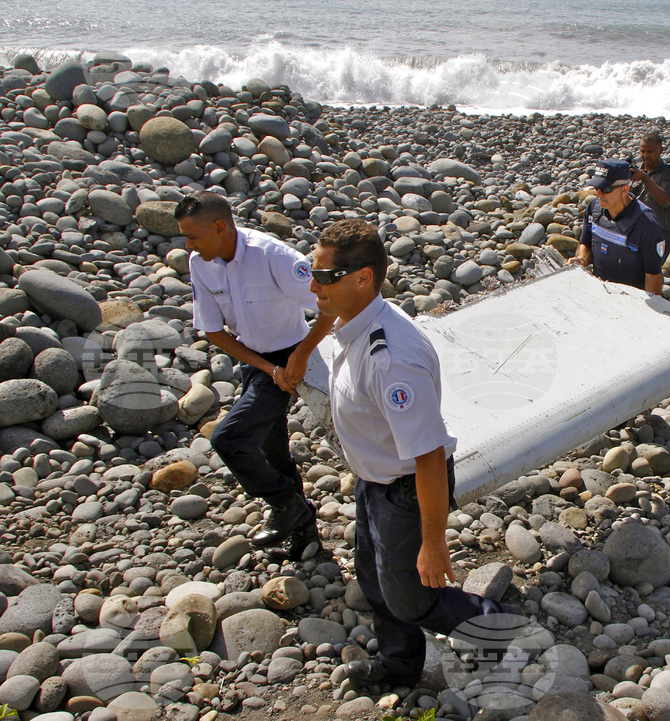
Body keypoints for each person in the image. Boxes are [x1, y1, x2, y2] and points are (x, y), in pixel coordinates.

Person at [310, 219, 513, 687]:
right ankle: (400, 666)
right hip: (374, 481)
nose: (313, 285)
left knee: (413, 599)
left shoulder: (391, 358)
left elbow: (427, 457)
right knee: (374, 578)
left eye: (323, 277)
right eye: (310, 272)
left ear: (362, 278)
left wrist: (434, 542)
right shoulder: (354, 319)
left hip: (405, 489)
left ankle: (495, 625)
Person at [177, 191, 334, 558]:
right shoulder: (201, 262)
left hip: (292, 354)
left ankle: (285, 505)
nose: (188, 245)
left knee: (229, 440)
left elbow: (330, 303)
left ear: (219, 227)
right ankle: (305, 534)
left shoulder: (271, 256)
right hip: (257, 361)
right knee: (272, 447)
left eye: (193, 236)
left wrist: (301, 355)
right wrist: (267, 369)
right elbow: (213, 331)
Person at [570, 158, 668, 294]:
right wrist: (582, 259)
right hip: (599, 291)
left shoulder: (648, 226)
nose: (599, 194)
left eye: (606, 189)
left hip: (631, 300)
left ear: (625, 189)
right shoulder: (594, 209)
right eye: (596, 188)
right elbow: (585, 244)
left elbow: (653, 276)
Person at [629, 132, 670, 244]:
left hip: (660, 234)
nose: (646, 155)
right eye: (642, 151)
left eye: (650, 152)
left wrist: (645, 179)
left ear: (660, 151)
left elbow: (665, 201)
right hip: (635, 230)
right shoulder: (635, 169)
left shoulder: (669, 173)